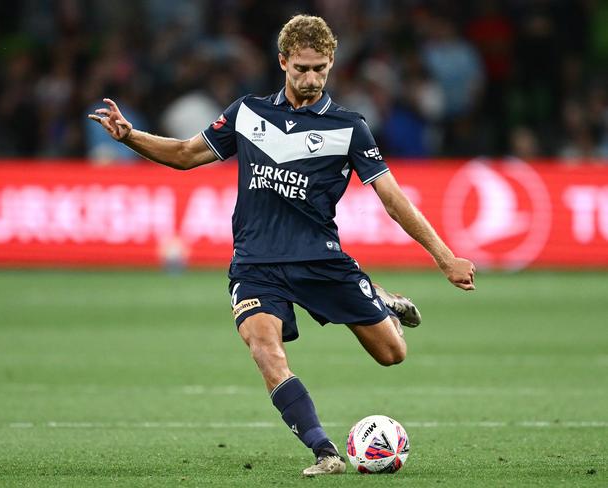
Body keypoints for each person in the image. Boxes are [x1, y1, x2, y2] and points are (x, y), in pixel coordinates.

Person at [88, 14, 476, 476]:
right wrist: (131, 136)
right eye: (302, 68)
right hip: (256, 264)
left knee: (392, 354)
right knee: (265, 351)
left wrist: (445, 257)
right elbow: (186, 154)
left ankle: (383, 301)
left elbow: (392, 199)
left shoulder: (349, 127)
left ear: (331, 64)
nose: (311, 79)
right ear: (283, 62)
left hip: (321, 260)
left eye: (320, 69)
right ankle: (325, 452)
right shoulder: (247, 113)